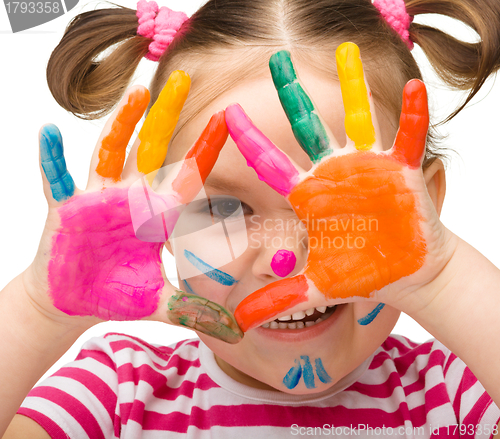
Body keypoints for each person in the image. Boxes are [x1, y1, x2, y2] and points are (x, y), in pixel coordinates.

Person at [2, 0, 500, 437]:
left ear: (425, 208)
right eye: (223, 209)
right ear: (157, 223)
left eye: (347, 209)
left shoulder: (457, 397)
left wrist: (443, 280)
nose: (282, 258)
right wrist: (37, 312)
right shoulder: (114, 397)